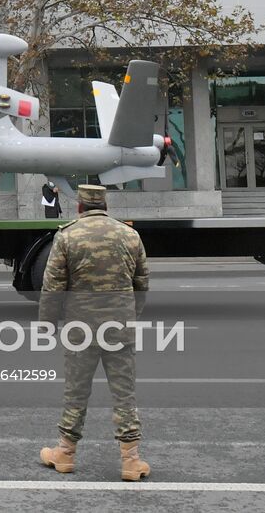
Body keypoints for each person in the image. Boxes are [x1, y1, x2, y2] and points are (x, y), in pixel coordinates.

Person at [38, 184, 151, 482]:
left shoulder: (67, 235)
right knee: (124, 394)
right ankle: (131, 461)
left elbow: (53, 287)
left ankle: (65, 453)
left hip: (81, 329)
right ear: (105, 204)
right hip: (120, 329)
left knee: (76, 392)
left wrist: (48, 325)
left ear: (79, 207)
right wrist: (129, 317)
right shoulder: (130, 235)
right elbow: (142, 284)